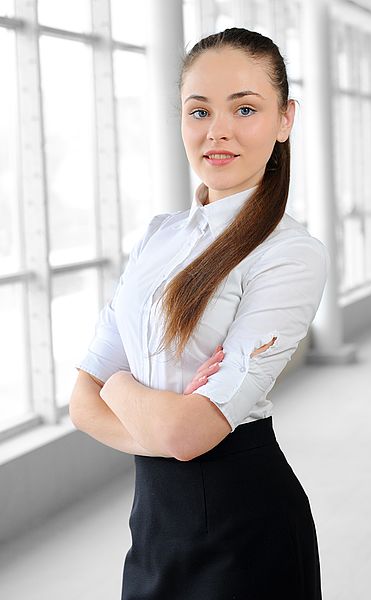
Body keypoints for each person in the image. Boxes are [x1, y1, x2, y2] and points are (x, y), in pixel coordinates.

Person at [70, 27, 328, 600]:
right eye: (199, 110)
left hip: (246, 528)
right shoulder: (158, 236)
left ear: (285, 120)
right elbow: (81, 407)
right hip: (154, 523)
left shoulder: (290, 254)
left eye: (245, 108)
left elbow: (188, 432)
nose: (219, 131)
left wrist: (118, 383)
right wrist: (163, 419)